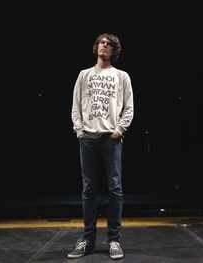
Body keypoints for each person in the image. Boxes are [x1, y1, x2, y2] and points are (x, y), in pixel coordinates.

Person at [68, 33, 134, 260]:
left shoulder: (121, 76)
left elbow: (129, 107)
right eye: (101, 43)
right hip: (87, 138)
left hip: (111, 139)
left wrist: (120, 130)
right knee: (88, 189)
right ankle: (88, 239)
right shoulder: (84, 75)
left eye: (109, 44)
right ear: (96, 48)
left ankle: (114, 240)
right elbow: (76, 105)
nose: (104, 46)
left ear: (114, 51)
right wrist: (79, 130)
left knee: (115, 188)